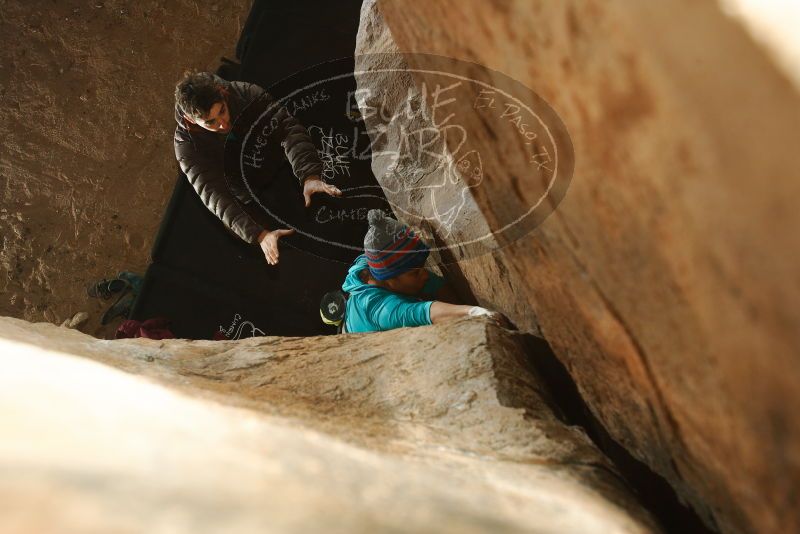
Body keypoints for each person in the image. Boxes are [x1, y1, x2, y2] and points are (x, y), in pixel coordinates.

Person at [173, 71, 341, 265]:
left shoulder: (246, 93)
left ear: (222, 93)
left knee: (328, 208)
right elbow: (214, 194)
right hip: (251, 195)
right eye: (210, 122)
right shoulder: (187, 147)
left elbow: (287, 128)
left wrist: (310, 175)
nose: (222, 123)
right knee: (297, 243)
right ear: (191, 120)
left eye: (222, 111)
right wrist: (258, 234)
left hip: (282, 163)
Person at [341, 209, 501, 333]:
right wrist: (473, 312)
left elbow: (433, 284)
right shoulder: (383, 311)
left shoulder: (372, 261)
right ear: (389, 280)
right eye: (415, 273)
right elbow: (420, 313)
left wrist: (455, 304)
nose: (425, 275)